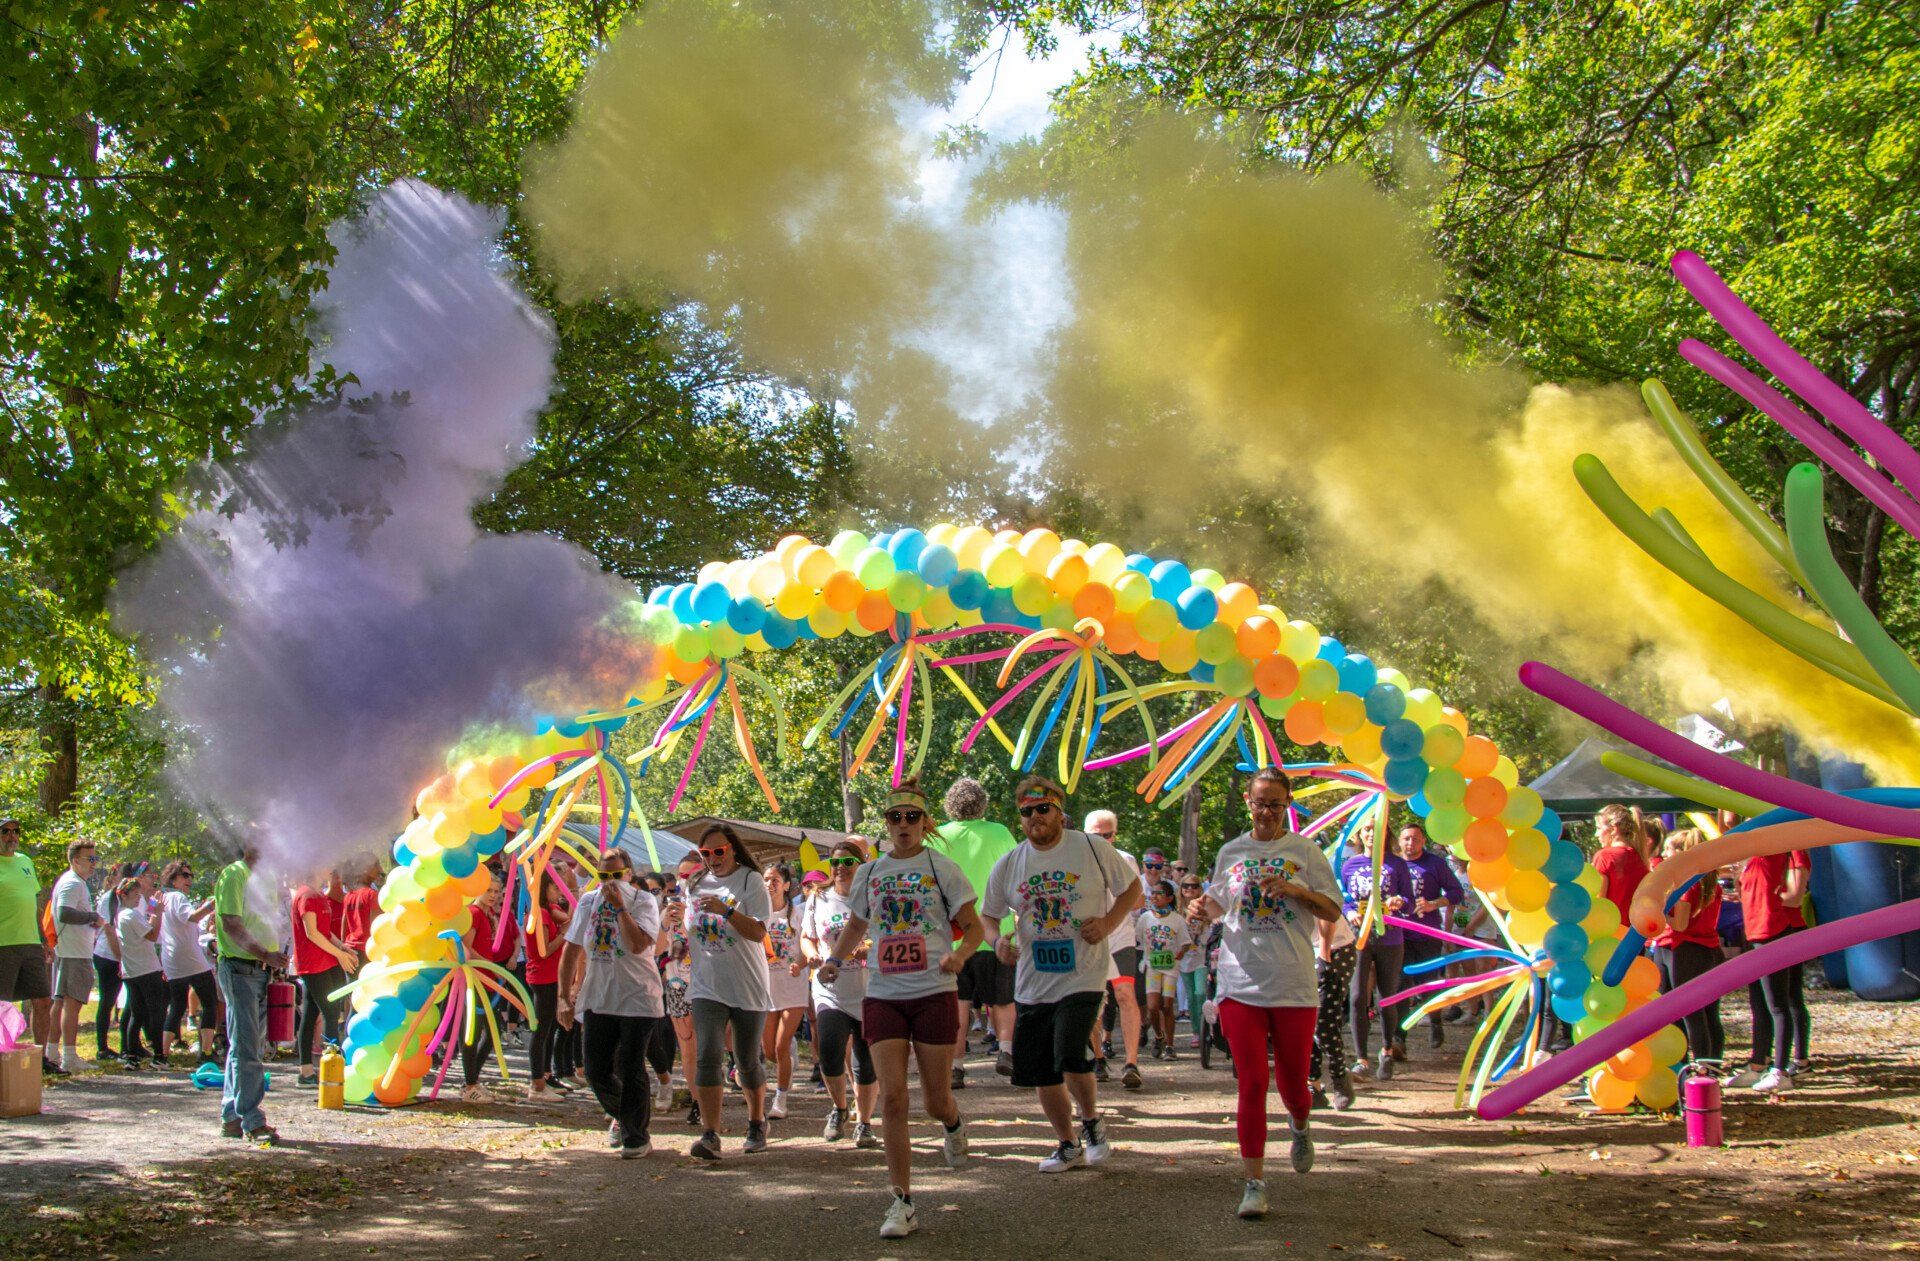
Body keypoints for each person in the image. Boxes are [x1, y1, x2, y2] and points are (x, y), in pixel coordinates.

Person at [818, 781, 978, 1239]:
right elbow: (856, 925)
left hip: (933, 992)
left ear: (925, 822)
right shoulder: (870, 872)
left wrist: (960, 956)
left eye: (912, 816)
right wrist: (833, 961)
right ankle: (902, 1201)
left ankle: (952, 1122)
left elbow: (974, 928)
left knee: (935, 1101)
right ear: (886, 824)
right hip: (884, 994)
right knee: (892, 1098)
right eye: (895, 817)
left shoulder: (942, 868)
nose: (903, 824)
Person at [1186, 766, 1344, 1220]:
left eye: (1276, 804)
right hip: (1240, 981)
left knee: (1294, 1084)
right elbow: (1218, 904)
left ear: (1287, 804)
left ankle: (1300, 1124)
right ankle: (1254, 1183)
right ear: (1249, 803)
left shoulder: (1305, 851)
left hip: (1293, 983)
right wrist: (1199, 907)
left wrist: (1294, 889)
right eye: (1261, 803)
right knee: (1253, 1081)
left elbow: (1332, 908)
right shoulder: (1232, 851)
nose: (1268, 812)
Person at [982, 775, 1141, 1173]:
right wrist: (997, 942)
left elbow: (1132, 889)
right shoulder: (1010, 863)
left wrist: (1107, 924)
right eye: (1026, 811)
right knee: (1041, 1070)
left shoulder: (1091, 848)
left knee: (1069, 1050)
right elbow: (988, 916)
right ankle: (1067, 1143)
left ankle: (1091, 1121)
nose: (1034, 817)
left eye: (1042, 808)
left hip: (1083, 974)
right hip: (1033, 981)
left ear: (1059, 811)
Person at [559, 848, 664, 1157]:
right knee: (595, 1070)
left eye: (616, 875)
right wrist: (563, 997)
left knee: (630, 1066)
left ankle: (636, 1137)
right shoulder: (589, 901)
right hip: (599, 997)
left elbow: (637, 944)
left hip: (638, 997)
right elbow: (571, 949)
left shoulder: (643, 901)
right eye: (603, 876)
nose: (610, 882)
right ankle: (627, 1117)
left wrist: (620, 908)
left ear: (629, 874)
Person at [685, 823, 772, 1160]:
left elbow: (758, 932)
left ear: (732, 849)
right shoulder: (694, 884)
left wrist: (728, 911)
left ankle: (757, 1121)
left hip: (747, 984)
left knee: (746, 1060)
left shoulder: (750, 880)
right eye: (705, 853)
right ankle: (710, 1134)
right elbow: (691, 929)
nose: (713, 858)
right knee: (707, 1054)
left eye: (719, 851)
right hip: (707, 985)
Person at [930, 776, 1019, 1084]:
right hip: (995, 931)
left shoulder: (937, 837)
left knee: (958, 1002)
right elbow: (1015, 873)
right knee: (1003, 999)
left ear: (949, 805)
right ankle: (1006, 1051)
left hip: (952, 936)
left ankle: (955, 1066)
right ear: (983, 803)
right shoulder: (1000, 833)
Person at [803, 838, 879, 1148]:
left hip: (870, 990)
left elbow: (885, 934)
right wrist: (811, 954)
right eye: (835, 862)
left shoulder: (874, 896)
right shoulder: (819, 898)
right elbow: (807, 937)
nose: (840, 868)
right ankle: (839, 1108)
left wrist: (869, 948)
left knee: (866, 1062)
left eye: (848, 862)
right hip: (830, 990)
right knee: (830, 1052)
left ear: (862, 865)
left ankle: (865, 1123)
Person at [214, 837, 289, 1143]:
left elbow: (268, 921)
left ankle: (232, 1117)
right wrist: (265, 954)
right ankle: (253, 1121)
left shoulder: (267, 877)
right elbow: (231, 924)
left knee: (244, 1046)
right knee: (247, 1048)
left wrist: (273, 960)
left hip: (259, 971)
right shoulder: (235, 874)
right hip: (239, 968)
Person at [1732, 846, 1811, 1093]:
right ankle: (1758, 1065)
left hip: (1773, 931)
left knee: (1781, 1003)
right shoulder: (1752, 859)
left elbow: (1794, 896)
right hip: (1754, 933)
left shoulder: (1773, 853)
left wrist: (1770, 898)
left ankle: (1781, 1070)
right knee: (1759, 1003)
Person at [1648, 829, 1724, 1069]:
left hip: (1684, 950)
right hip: (1698, 949)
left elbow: (1680, 924)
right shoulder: (1706, 880)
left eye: (1669, 850)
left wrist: (1658, 912)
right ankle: (1703, 1065)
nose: (1665, 855)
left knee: (1690, 1012)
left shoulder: (1687, 884)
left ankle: (1701, 1067)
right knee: (1702, 1012)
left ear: (1682, 853)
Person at [1340, 823, 1411, 1080]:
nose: (1371, 833)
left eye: (1376, 828)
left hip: (1389, 938)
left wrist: (1399, 901)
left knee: (1387, 997)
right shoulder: (1350, 864)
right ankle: (1361, 1059)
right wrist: (1349, 912)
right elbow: (1343, 898)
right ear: (1360, 834)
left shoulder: (1397, 864)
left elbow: (1409, 901)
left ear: (1385, 832)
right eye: (1367, 829)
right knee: (1357, 997)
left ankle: (1387, 1050)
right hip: (1358, 939)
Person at [1083, 809, 1145, 1088]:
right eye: (1096, 835)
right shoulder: (1076, 860)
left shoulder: (1125, 859)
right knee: (1093, 1000)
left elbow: (1139, 901)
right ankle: (1098, 1057)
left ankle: (1131, 1063)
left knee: (1125, 994)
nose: (1102, 840)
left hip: (1120, 938)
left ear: (1115, 835)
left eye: (1107, 835)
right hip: (1091, 938)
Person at [0, 817, 62, 1078]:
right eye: (5, 831)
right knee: (2, 1005)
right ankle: (3, 1057)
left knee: (42, 999)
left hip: (30, 943)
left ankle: (40, 1057)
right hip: (3, 944)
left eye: (16, 831)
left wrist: (43, 939)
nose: (12, 835)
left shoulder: (25, 861)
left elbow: (31, 903)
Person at [1395, 823, 1464, 1050]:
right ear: (1399, 841)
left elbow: (1456, 892)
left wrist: (1434, 903)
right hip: (1399, 934)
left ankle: (1435, 1022)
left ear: (1423, 841)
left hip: (1428, 932)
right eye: (1406, 838)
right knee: (1401, 984)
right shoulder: (1392, 863)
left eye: (1415, 839)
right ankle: (1398, 1037)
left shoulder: (1435, 863)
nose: (1410, 843)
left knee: (1428, 983)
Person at [291, 869, 359, 1085]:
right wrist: (339, 954)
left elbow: (325, 931)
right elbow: (311, 933)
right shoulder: (307, 895)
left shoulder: (317, 895)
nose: (331, 870)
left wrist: (343, 948)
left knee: (311, 1013)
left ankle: (306, 1072)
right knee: (330, 1013)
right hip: (313, 965)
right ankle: (332, 1073)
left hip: (323, 962)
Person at [458, 864, 517, 1101]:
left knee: (492, 1033)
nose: (493, 895)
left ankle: (471, 1081)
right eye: (488, 890)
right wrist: (492, 967)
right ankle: (470, 1085)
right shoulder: (473, 913)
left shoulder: (488, 915)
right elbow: (467, 949)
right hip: (474, 981)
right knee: (472, 1033)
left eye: (496, 891)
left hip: (487, 980)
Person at [49, 839, 105, 1073]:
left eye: (95, 858)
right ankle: (69, 1057)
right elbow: (64, 913)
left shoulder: (72, 881)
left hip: (70, 950)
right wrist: (92, 917)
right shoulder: (73, 883)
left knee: (60, 1003)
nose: (94, 863)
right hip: (74, 953)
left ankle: (51, 1053)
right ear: (74, 860)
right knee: (71, 1005)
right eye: (89, 859)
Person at [761, 863, 809, 1120]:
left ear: (787, 885)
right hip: (766, 990)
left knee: (780, 1048)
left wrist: (799, 964)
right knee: (769, 1051)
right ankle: (789, 1054)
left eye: (775, 880)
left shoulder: (798, 914)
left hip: (793, 988)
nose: (770, 884)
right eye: (766, 879)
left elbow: (808, 944)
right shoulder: (758, 914)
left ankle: (780, 1099)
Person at [156, 861, 218, 1064]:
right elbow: (192, 917)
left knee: (177, 1006)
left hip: (171, 959)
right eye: (184, 875)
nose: (189, 879)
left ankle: (162, 1055)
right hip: (191, 958)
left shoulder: (162, 898)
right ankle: (206, 1053)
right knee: (209, 1003)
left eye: (191, 876)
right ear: (173, 879)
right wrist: (212, 904)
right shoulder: (178, 897)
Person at [524, 866, 573, 1098]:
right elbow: (544, 950)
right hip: (543, 977)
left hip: (552, 976)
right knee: (541, 1031)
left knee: (550, 1028)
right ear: (545, 888)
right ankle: (537, 1084)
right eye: (555, 887)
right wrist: (564, 934)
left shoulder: (548, 910)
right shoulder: (540, 914)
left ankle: (546, 1075)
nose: (559, 891)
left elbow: (568, 917)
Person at [1136, 879, 1193, 1060]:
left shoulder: (1177, 919)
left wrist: (1181, 952)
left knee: (1167, 1006)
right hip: (1152, 966)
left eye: (1159, 893)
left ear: (1169, 898)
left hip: (1170, 967)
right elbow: (1137, 939)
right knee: (1152, 1007)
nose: (1154, 896)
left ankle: (1170, 1045)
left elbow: (1186, 942)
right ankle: (1159, 1036)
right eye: (1152, 893)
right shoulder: (1145, 918)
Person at [1591, 804, 1652, 927]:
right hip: (1634, 933)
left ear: (1613, 829)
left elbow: (1599, 902)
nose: (1596, 834)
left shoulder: (1605, 856)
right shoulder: (1640, 858)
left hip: (1611, 931)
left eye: (1598, 828)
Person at [93, 860, 128, 1064]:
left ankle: (129, 1044)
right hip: (107, 955)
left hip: (121, 956)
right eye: (123, 875)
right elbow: (109, 929)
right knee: (107, 1000)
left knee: (127, 999)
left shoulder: (126, 897)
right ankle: (102, 1047)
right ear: (114, 876)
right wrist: (120, 958)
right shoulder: (109, 898)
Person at [1176, 873, 1210, 1048]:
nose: (1190, 889)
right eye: (1186, 886)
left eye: (1194, 886)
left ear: (1200, 889)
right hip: (1184, 959)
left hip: (1202, 958)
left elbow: (1216, 925)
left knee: (1200, 993)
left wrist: (1207, 918)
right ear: (1181, 889)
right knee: (1190, 996)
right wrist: (1188, 919)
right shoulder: (1177, 911)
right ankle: (1197, 1031)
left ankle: (1207, 1028)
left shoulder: (1206, 907)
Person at [339, 863, 381, 959]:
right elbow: (375, 926)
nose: (379, 869)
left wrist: (344, 947)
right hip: (368, 949)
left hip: (350, 948)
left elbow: (344, 926)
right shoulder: (372, 895)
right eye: (376, 865)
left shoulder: (348, 896)